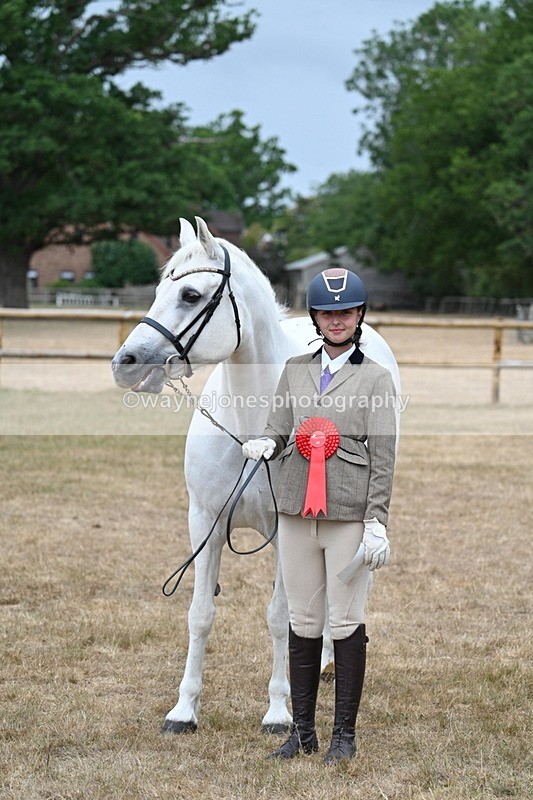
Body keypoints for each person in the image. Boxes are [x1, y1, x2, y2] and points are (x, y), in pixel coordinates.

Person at [242, 268, 397, 765]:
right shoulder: (294, 368)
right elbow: (280, 424)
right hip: (294, 510)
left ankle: (343, 736)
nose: (336, 320)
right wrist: (268, 441)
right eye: (328, 313)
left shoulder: (375, 377)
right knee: (301, 618)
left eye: (346, 312)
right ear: (315, 317)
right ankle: (302, 732)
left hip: (348, 513)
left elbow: (384, 454)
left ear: (359, 317)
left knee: (345, 620)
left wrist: (376, 520)